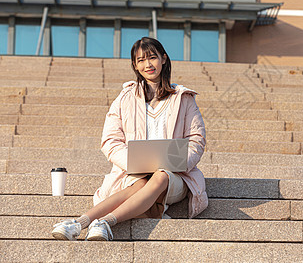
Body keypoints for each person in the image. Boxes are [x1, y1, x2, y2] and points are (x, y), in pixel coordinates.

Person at [52, 37, 208, 241]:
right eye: (141, 60)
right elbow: (110, 140)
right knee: (141, 184)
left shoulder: (183, 99)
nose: (147, 64)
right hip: (135, 175)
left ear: (163, 59)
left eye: (152, 57)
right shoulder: (125, 98)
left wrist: (180, 162)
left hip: (175, 177)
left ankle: (106, 222)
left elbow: (196, 140)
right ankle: (78, 223)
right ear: (135, 65)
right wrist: (133, 162)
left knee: (161, 175)